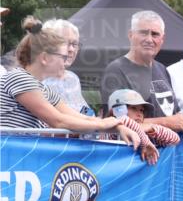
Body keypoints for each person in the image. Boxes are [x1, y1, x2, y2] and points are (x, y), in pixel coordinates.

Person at [0, 16, 146, 154]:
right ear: (44, 58)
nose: (66, 61)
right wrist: (106, 124)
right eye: (62, 56)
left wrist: (117, 127)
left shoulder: (43, 89)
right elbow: (58, 121)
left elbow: (81, 117)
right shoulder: (19, 78)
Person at [101, 10, 183, 138]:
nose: (149, 39)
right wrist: (166, 123)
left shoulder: (162, 69)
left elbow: (175, 113)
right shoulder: (116, 70)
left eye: (155, 34)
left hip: (166, 153)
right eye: (143, 33)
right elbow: (114, 122)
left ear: (162, 40)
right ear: (130, 35)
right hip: (135, 153)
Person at [40, 19, 94, 116]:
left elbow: (82, 108)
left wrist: (96, 118)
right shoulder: (36, 80)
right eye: (66, 43)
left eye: (75, 44)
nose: (71, 49)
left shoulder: (72, 78)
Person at [107, 88, 181, 148]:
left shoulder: (147, 132)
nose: (139, 114)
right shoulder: (112, 129)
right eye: (133, 108)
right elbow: (121, 119)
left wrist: (151, 127)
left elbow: (175, 139)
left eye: (141, 110)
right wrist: (146, 144)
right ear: (116, 111)